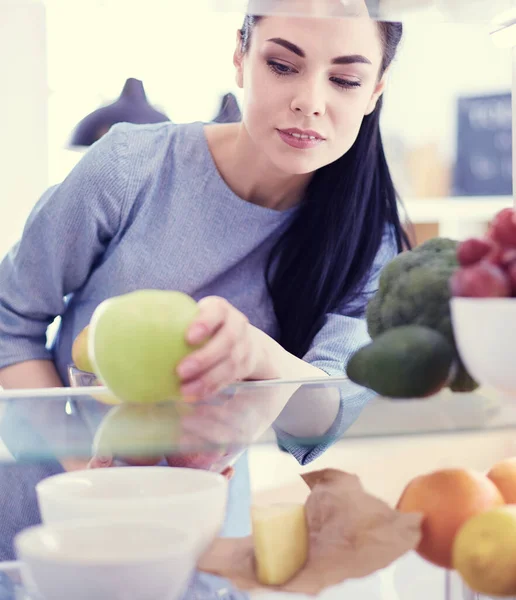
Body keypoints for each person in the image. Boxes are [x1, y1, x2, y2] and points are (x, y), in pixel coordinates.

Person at [0, 0, 409, 562]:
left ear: (374, 92)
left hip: (200, 534)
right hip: (47, 518)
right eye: (283, 65)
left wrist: (256, 355)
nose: (309, 102)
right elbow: (9, 320)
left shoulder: (370, 244)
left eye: (344, 79)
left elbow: (323, 416)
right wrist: (92, 479)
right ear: (240, 57)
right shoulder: (130, 168)